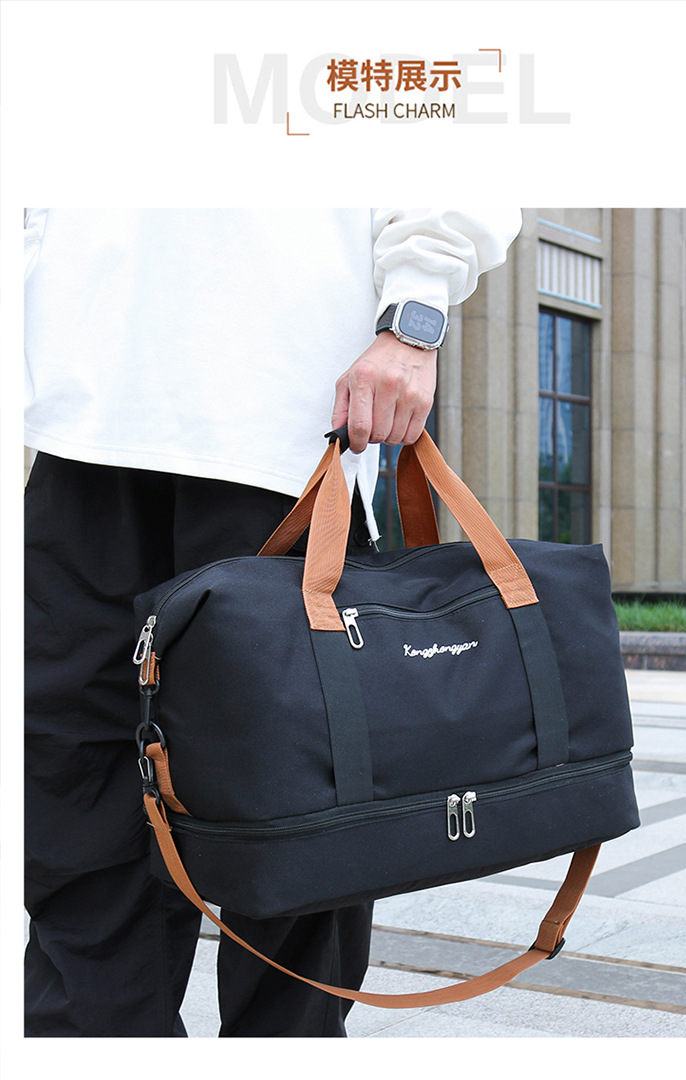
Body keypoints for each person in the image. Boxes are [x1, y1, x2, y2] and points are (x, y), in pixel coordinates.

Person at [24, 207, 522, 1037]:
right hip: (80, 423)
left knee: (302, 818)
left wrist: (414, 316)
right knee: (75, 790)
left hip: (278, 430)